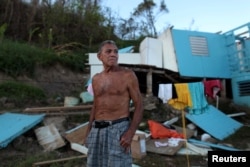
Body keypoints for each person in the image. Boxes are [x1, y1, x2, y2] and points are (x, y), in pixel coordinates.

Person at [84, 40, 144, 167]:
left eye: (116, 52)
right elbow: (96, 105)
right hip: (97, 129)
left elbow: (139, 104)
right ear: (99, 56)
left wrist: (130, 133)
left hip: (118, 129)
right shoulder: (96, 79)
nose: (113, 54)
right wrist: (89, 131)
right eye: (108, 51)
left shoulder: (127, 75)